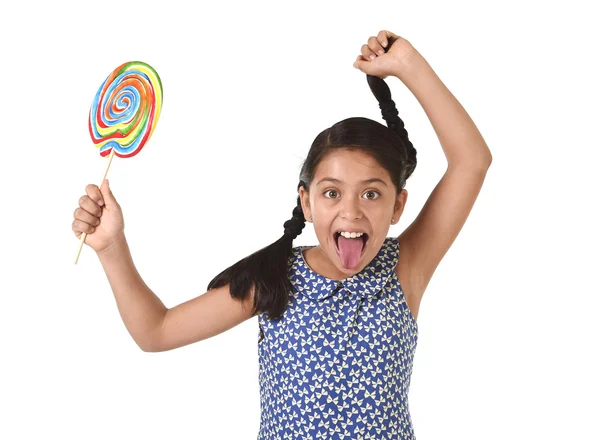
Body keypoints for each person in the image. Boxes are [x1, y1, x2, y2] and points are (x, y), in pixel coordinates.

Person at [72, 29, 492, 439]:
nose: (351, 211)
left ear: (398, 205)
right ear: (307, 203)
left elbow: (472, 160)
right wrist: (111, 247)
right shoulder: (274, 278)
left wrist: (407, 65)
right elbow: (156, 331)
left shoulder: (405, 269)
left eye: (371, 194)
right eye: (332, 193)